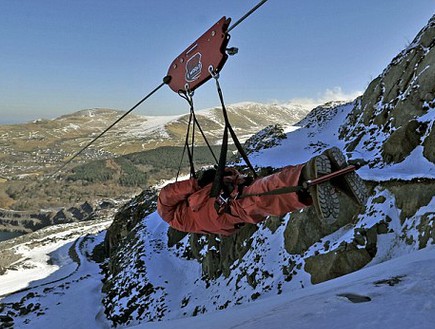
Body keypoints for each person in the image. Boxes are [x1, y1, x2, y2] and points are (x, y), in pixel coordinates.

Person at [157, 147, 367, 236]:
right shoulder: (177, 213)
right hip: (225, 205)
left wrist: (223, 177)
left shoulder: (192, 220)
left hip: (229, 213)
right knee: (260, 195)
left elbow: (226, 229)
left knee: (265, 198)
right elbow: (166, 195)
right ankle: (308, 176)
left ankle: (320, 185)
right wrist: (195, 183)